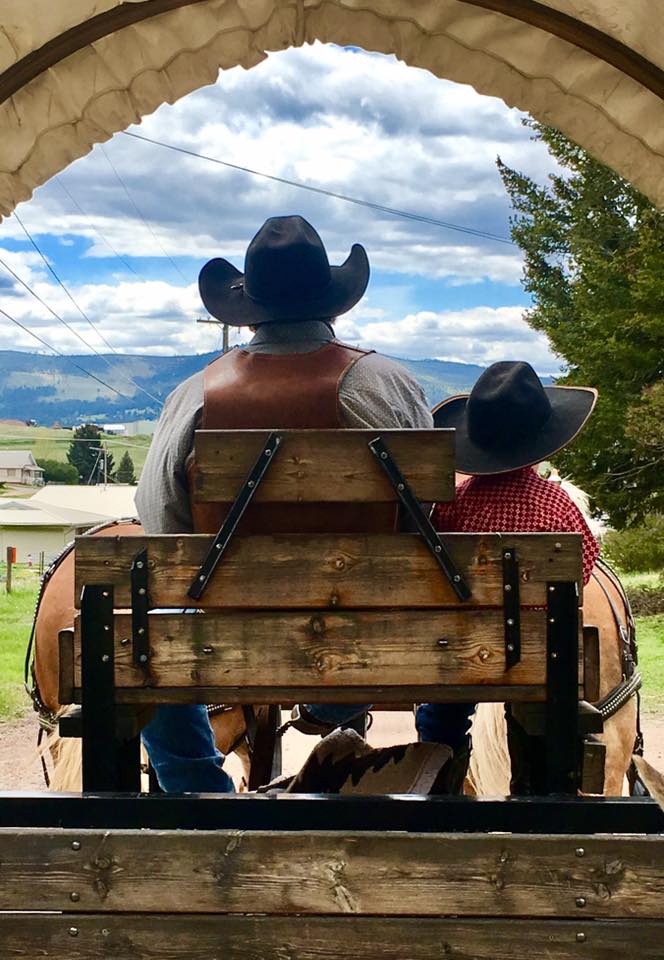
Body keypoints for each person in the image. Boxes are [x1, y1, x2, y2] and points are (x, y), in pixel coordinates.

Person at [136, 215, 434, 792]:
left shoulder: (194, 395)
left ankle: (200, 790)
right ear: (333, 303)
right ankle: (345, 728)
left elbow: (160, 519)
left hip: (227, 633)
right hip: (369, 631)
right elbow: (428, 513)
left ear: (249, 308)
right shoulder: (387, 383)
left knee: (147, 637)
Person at [419, 360, 600, 791]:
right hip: (540, 655)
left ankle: (441, 787)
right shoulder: (557, 504)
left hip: (460, 651)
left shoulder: (453, 502)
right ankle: (533, 790)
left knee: (439, 713)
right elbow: (584, 569)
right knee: (542, 706)